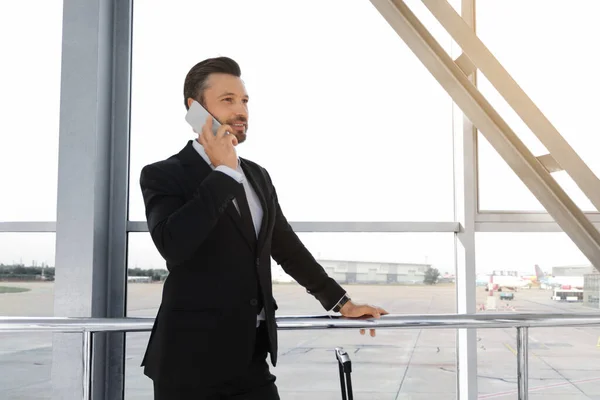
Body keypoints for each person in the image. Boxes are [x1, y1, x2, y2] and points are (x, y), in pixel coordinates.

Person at [139, 56, 389, 399]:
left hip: (250, 360)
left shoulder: (257, 176)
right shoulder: (163, 174)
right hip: (188, 363)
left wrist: (340, 302)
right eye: (228, 100)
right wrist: (224, 173)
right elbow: (173, 244)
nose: (241, 110)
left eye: (244, 101)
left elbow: (285, 246)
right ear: (194, 109)